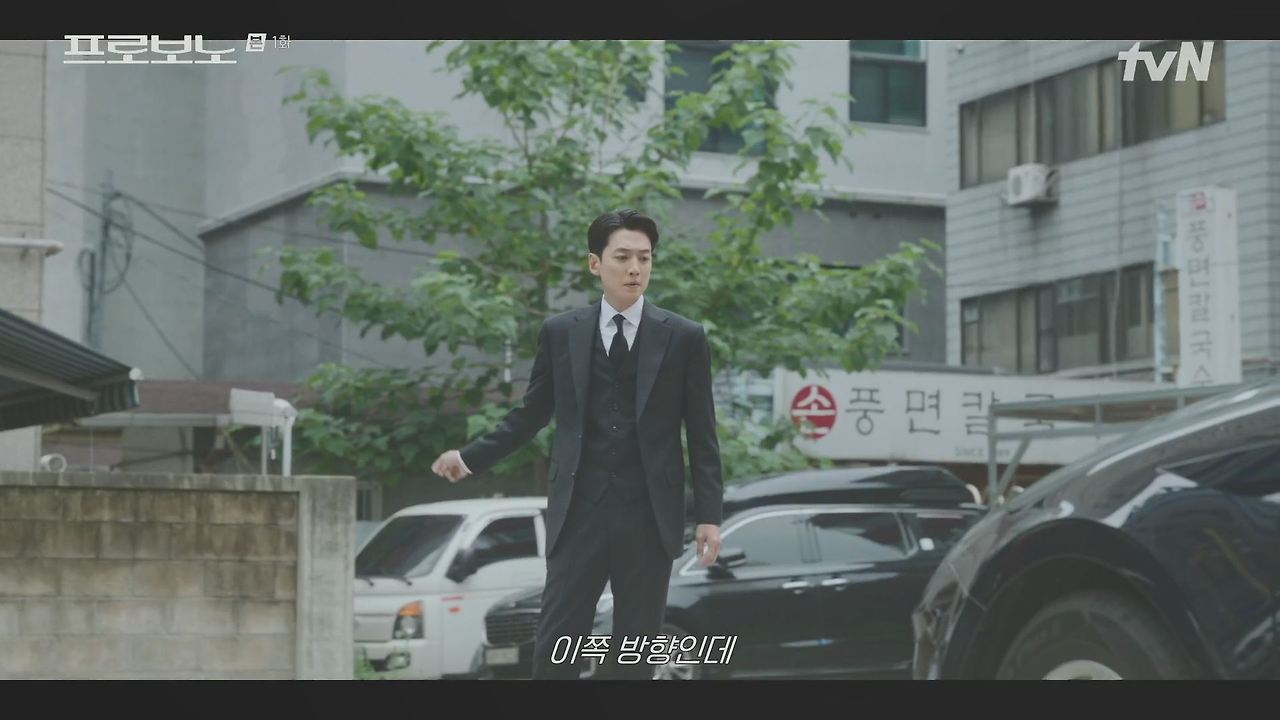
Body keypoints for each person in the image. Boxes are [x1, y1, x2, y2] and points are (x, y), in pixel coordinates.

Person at [431, 208, 724, 680]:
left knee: (635, 653)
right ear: (595, 263)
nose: (635, 268)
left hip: (649, 515)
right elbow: (532, 413)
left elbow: (702, 431)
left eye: (645, 258)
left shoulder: (684, 337)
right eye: (623, 257)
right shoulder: (561, 332)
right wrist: (469, 458)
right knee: (556, 647)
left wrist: (709, 515)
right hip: (579, 512)